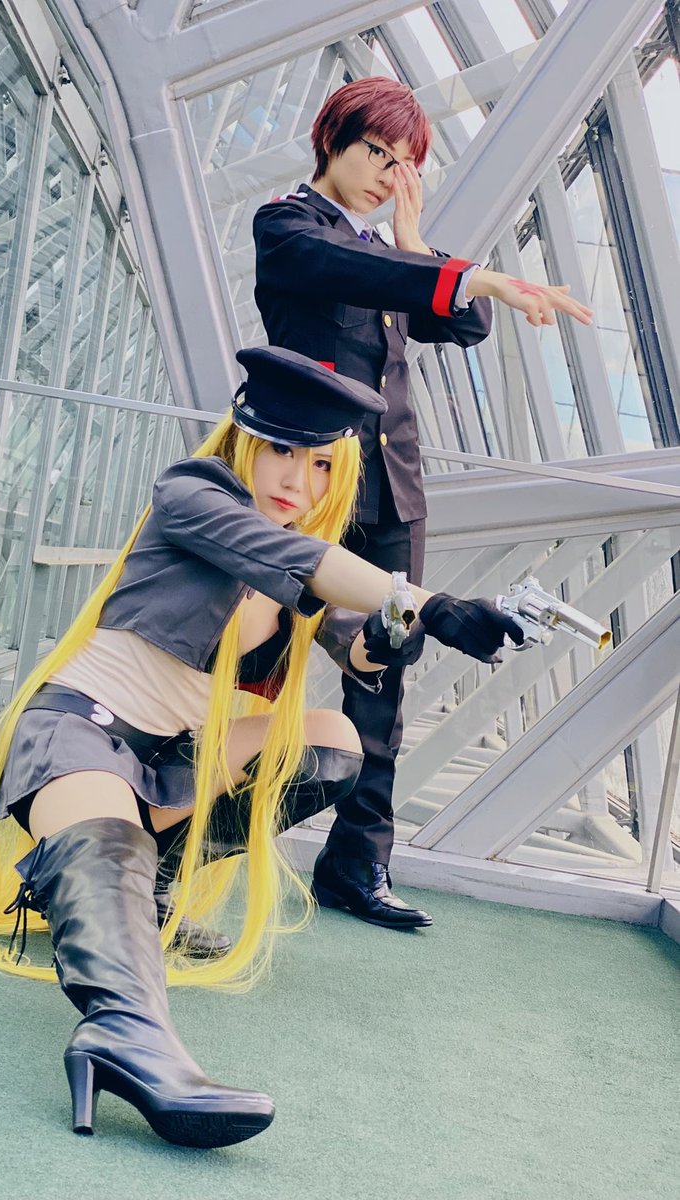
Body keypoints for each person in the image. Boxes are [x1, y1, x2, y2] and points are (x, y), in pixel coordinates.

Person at [0, 347, 523, 1149]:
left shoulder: (308, 567)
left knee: (332, 743)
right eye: (281, 449)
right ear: (243, 438)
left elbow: (360, 650)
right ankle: (127, 1038)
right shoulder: (193, 493)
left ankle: (153, 893)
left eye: (320, 465)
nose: (297, 480)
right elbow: (305, 561)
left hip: (170, 760)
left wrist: (402, 627)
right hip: (78, 735)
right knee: (107, 843)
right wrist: (428, 600)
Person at [252, 76, 594, 930]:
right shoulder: (288, 227)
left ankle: (356, 865)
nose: (388, 175)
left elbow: (463, 325)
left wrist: (417, 241)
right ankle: (207, 836)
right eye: (377, 153)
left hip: (391, 492)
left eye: (404, 164)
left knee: (384, 674)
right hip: (304, 486)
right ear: (332, 139)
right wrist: (466, 273)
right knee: (260, 658)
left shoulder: (388, 250)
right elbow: (359, 272)